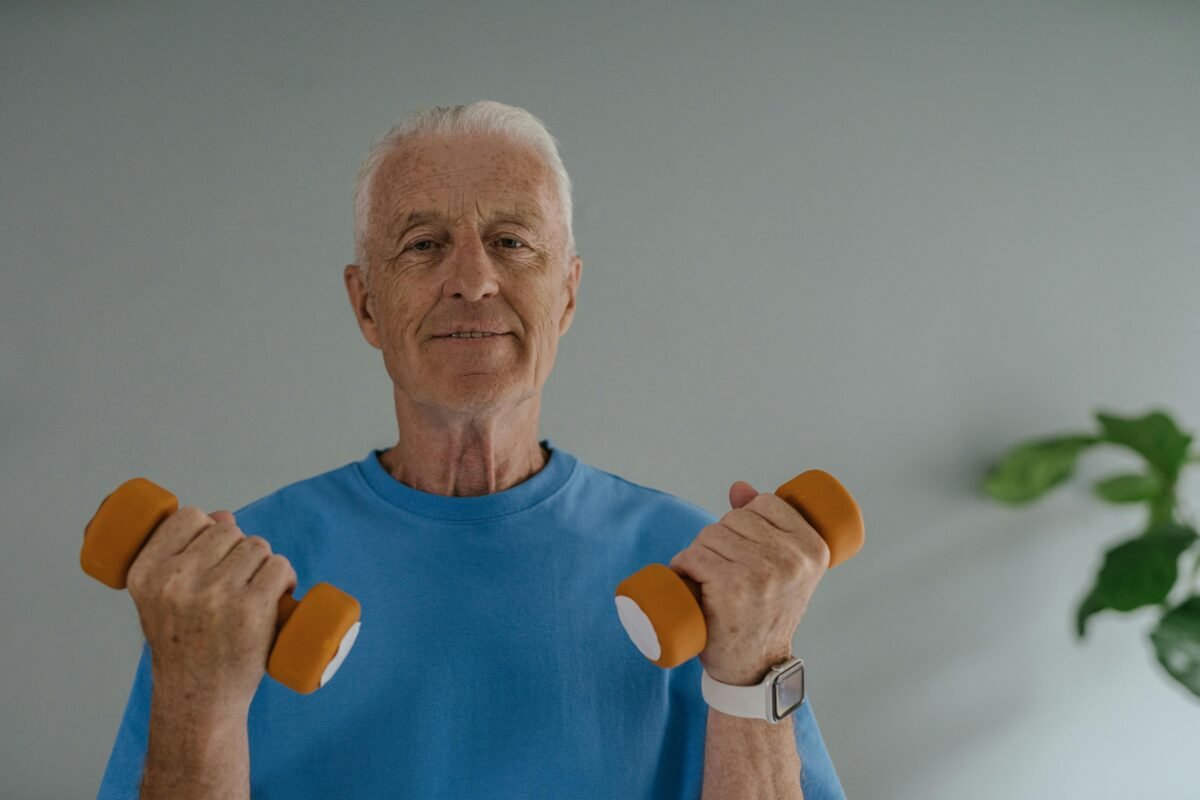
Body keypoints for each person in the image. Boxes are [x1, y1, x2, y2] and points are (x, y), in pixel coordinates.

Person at [96, 100, 847, 799]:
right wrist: (198, 700)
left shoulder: (701, 571)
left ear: (568, 295)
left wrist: (753, 674)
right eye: (424, 245)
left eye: (512, 242)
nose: (473, 280)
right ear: (366, 305)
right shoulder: (233, 586)